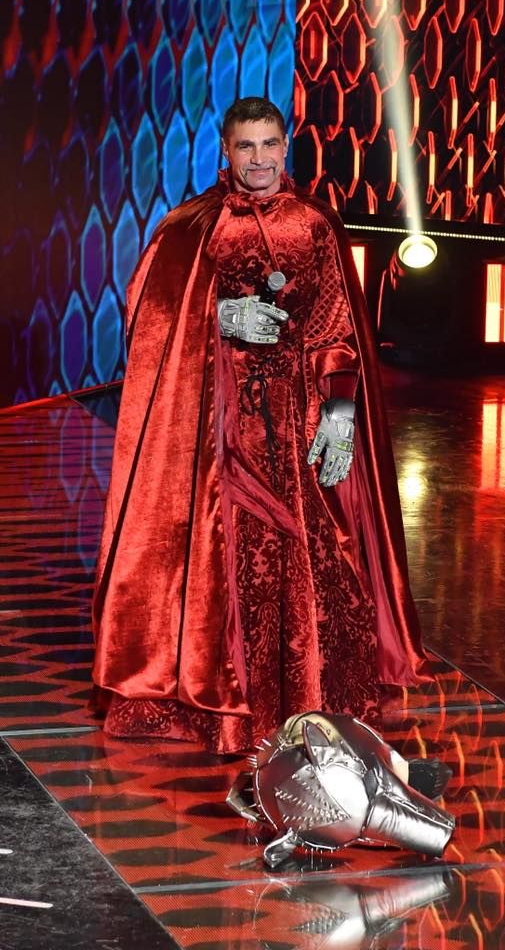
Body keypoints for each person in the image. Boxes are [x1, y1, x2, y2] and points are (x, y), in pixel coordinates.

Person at [92, 96, 429, 754]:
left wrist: (340, 414)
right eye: (245, 146)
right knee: (220, 560)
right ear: (225, 151)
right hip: (218, 431)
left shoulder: (315, 224)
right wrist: (219, 318)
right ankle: (226, 705)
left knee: (309, 554)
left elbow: (338, 328)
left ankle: (305, 693)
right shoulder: (193, 227)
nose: (259, 159)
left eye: (269, 144)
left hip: (296, 424)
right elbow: (149, 315)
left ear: (286, 145)